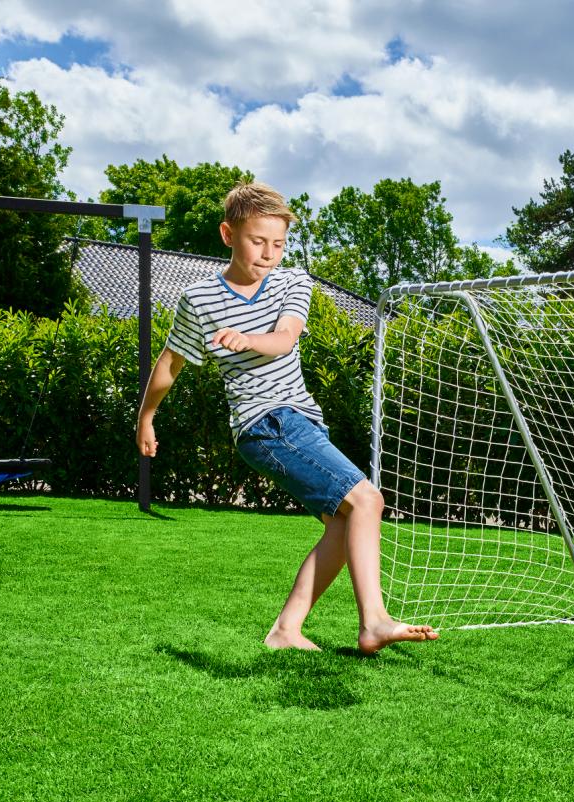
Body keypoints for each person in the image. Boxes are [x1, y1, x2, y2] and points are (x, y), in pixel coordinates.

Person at [135, 182, 436, 654]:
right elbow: (171, 362)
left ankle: (285, 631)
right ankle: (373, 621)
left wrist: (246, 339)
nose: (269, 254)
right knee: (368, 501)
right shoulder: (198, 299)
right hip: (265, 423)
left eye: (278, 244)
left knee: (343, 520)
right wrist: (146, 417)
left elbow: (285, 338)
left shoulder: (293, 281)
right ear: (228, 234)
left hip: (301, 421)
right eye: (258, 241)